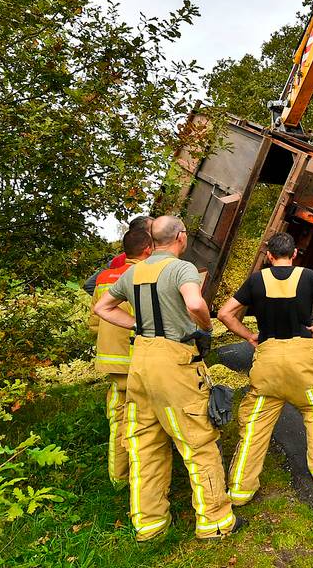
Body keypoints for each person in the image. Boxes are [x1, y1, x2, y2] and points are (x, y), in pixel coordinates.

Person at [93, 216, 240, 542]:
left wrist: (134, 325)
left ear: (152, 240)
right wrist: (204, 326)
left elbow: (103, 309)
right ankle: (215, 521)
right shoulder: (181, 268)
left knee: (145, 446)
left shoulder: (133, 271)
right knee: (198, 442)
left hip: (140, 362)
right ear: (180, 238)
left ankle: (149, 526)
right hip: (175, 361)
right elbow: (194, 301)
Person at [217, 232, 313, 506]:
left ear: (269, 256)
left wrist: (249, 336)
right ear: (294, 254)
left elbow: (225, 314)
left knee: (254, 424)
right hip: (302, 357)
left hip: (268, 359)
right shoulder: (308, 277)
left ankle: (240, 489)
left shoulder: (256, 280)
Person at [86, 227, 153, 487]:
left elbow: (93, 322)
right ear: (148, 249)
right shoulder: (145, 275)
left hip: (112, 361)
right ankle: (144, 481)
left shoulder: (103, 278)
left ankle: (118, 479)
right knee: (144, 422)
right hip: (139, 358)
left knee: (118, 420)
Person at [83, 215, 154, 295]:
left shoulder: (116, 261)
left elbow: (89, 285)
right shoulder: (155, 260)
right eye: (154, 229)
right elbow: (89, 286)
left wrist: (108, 303)